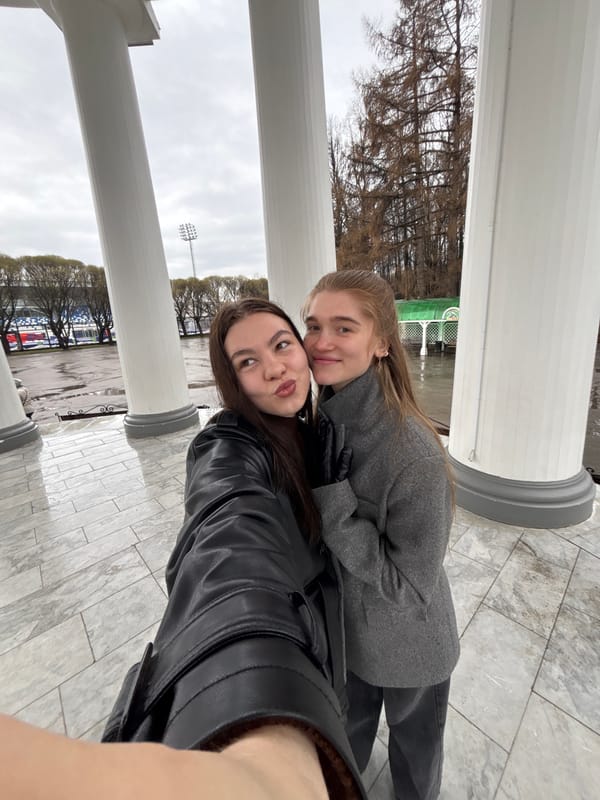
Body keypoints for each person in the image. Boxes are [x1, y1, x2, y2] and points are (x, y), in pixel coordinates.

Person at [2, 298, 364, 800]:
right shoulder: (229, 446)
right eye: (248, 362)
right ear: (232, 381)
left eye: (282, 345)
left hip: (323, 649)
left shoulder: (305, 432)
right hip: (289, 654)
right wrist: (260, 741)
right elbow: (230, 535)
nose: (276, 367)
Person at [303, 270, 460, 800]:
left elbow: (412, 584)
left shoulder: (411, 451)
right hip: (346, 638)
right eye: (313, 325)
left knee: (414, 762)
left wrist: (336, 508)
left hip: (410, 645)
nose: (322, 342)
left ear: (381, 346)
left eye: (343, 328)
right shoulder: (323, 415)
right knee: (346, 745)